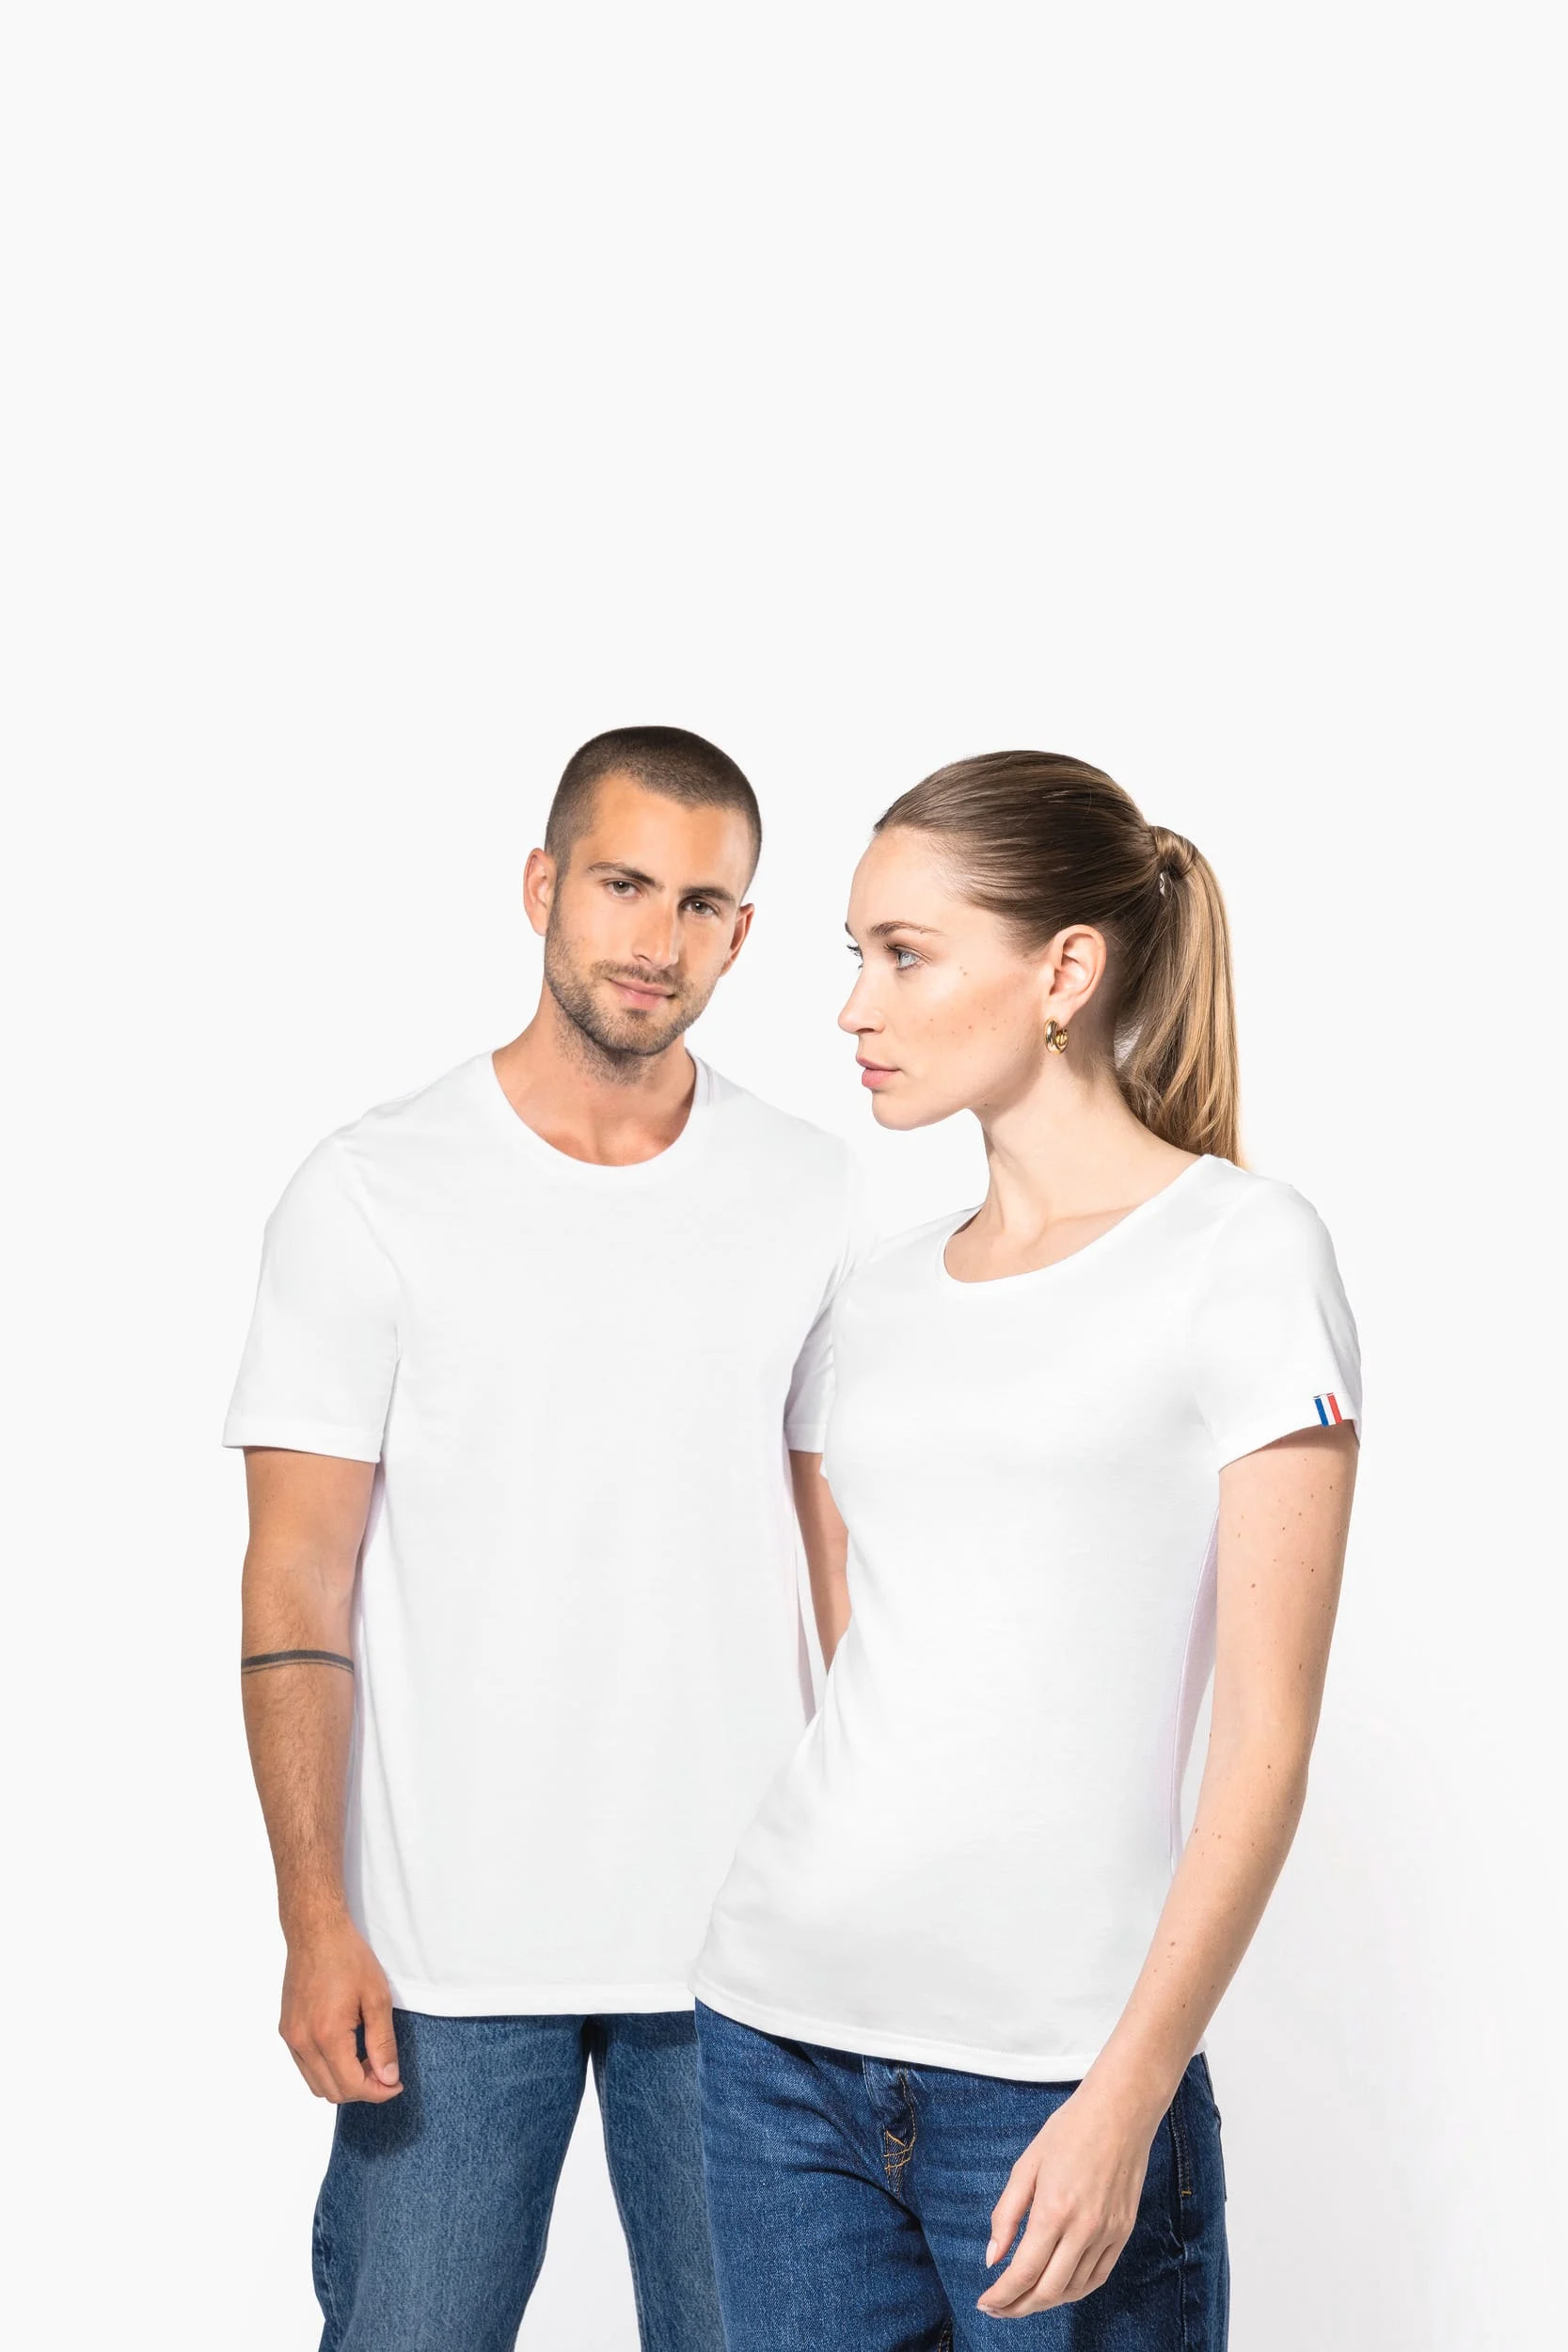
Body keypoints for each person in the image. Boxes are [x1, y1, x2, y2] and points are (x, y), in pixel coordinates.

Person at [690, 751, 1361, 2350]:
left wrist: (1127, 2095)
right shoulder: (878, 1290)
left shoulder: (1240, 1255)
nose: (853, 1006)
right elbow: (874, 1655)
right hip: (775, 2036)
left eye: (904, 955)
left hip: (1055, 2070)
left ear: (1064, 971)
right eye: (853, 954)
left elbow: (1265, 1746)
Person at [226, 726, 861, 2352]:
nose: (657, 939)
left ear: (742, 934)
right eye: (622, 884)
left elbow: (842, 1558)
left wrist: (874, 1871)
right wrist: (313, 1916)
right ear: (541, 886)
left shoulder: (812, 1195)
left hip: (740, 1948)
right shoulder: (371, 1189)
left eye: (701, 904)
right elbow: (295, 1579)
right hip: (441, 1950)